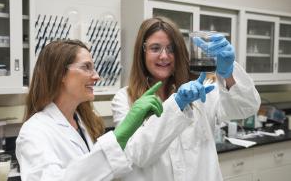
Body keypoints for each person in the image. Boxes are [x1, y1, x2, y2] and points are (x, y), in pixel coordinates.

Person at [112, 17, 261, 181]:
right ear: (142, 52)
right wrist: (177, 104)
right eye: (155, 48)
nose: (164, 56)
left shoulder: (202, 89)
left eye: (171, 49)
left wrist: (228, 73)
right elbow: (139, 155)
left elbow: (246, 108)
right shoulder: (124, 99)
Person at [16, 40, 164, 181]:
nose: (96, 76)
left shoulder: (82, 122)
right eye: (86, 67)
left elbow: (98, 171)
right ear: (60, 73)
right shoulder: (34, 131)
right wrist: (118, 137)